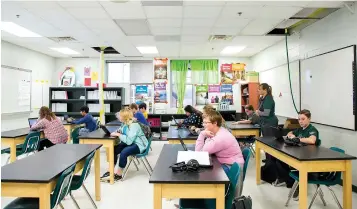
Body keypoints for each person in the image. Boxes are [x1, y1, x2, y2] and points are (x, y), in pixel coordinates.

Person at [195, 110, 244, 197]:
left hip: (230, 167)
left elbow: (199, 153)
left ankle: (204, 200)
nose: (203, 125)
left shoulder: (220, 138)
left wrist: (202, 134)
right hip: (228, 162)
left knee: (203, 175)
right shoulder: (219, 131)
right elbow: (205, 147)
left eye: (206, 123)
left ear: (215, 123)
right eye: (203, 122)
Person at [274, 109, 320, 200]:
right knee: (279, 158)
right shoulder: (300, 129)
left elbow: (312, 140)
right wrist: (291, 136)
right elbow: (289, 133)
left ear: (309, 119)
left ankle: (299, 185)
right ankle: (288, 180)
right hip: (299, 154)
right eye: (299, 119)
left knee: (295, 164)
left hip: (308, 158)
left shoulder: (312, 129)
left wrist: (298, 139)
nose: (301, 121)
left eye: (303, 119)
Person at [101, 108, 148, 182]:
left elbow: (129, 141)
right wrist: (118, 131)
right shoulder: (125, 124)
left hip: (139, 145)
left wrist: (118, 134)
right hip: (132, 142)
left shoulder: (134, 125)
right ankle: (110, 171)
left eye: (120, 115)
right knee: (114, 150)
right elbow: (122, 130)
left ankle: (119, 175)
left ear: (124, 117)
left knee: (124, 152)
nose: (118, 117)